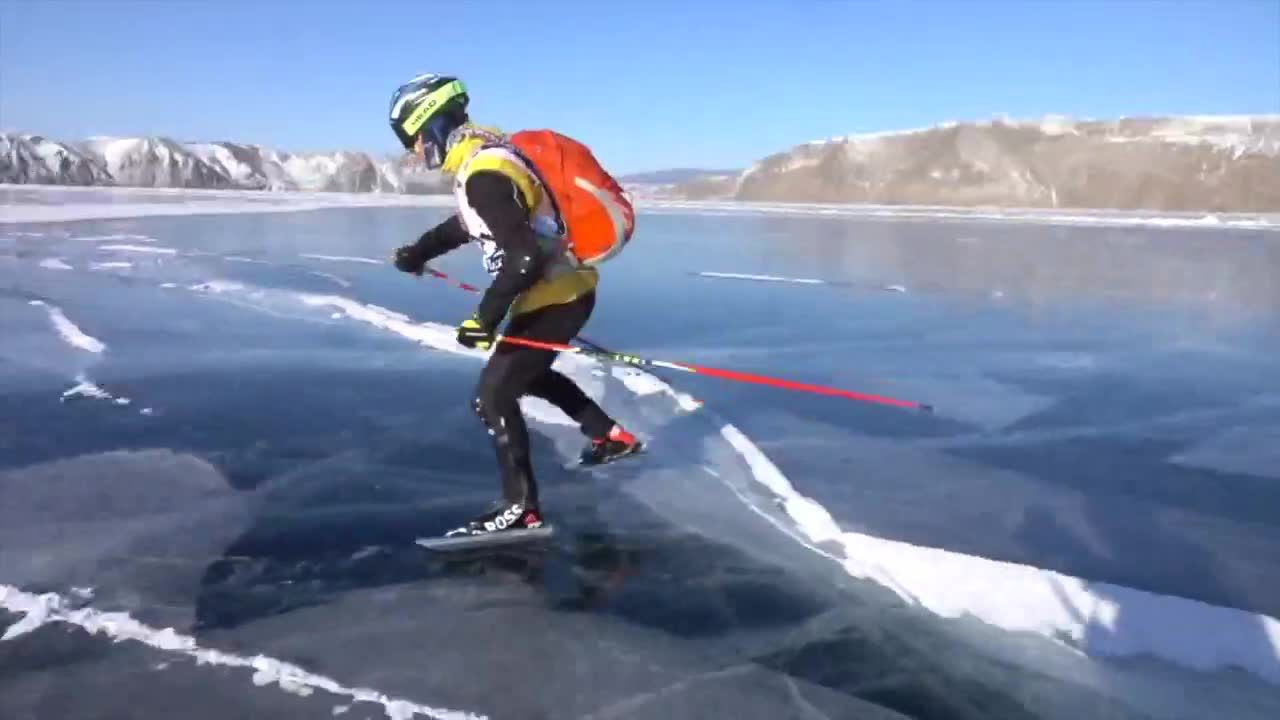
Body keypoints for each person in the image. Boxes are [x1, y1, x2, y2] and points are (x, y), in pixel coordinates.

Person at [387, 73, 642, 538]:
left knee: (493, 395)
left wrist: (483, 320)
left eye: (417, 141)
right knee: (530, 372)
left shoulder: (486, 173)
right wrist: (417, 254)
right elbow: (464, 227)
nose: (416, 153)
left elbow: (523, 257)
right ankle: (609, 435)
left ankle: (521, 508)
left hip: (556, 297)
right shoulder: (489, 163)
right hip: (564, 292)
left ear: (435, 126)